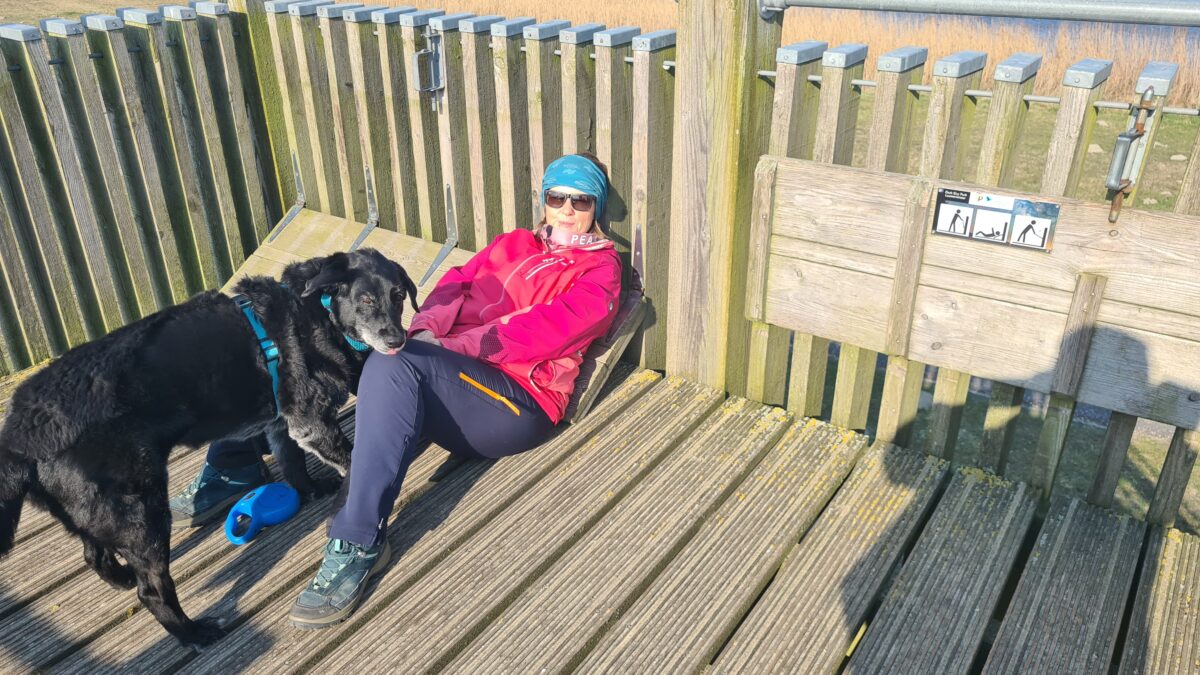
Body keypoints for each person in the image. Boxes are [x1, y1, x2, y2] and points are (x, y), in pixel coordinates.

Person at [167, 153, 623, 628]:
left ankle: (358, 541)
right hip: (449, 374)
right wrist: (427, 328)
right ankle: (234, 463)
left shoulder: (600, 270)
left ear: (597, 207)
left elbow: (548, 329)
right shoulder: (514, 243)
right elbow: (456, 284)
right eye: (558, 197)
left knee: (393, 361)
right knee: (281, 354)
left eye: (581, 199)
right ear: (544, 200)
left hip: (515, 401)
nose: (568, 208)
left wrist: (450, 344)